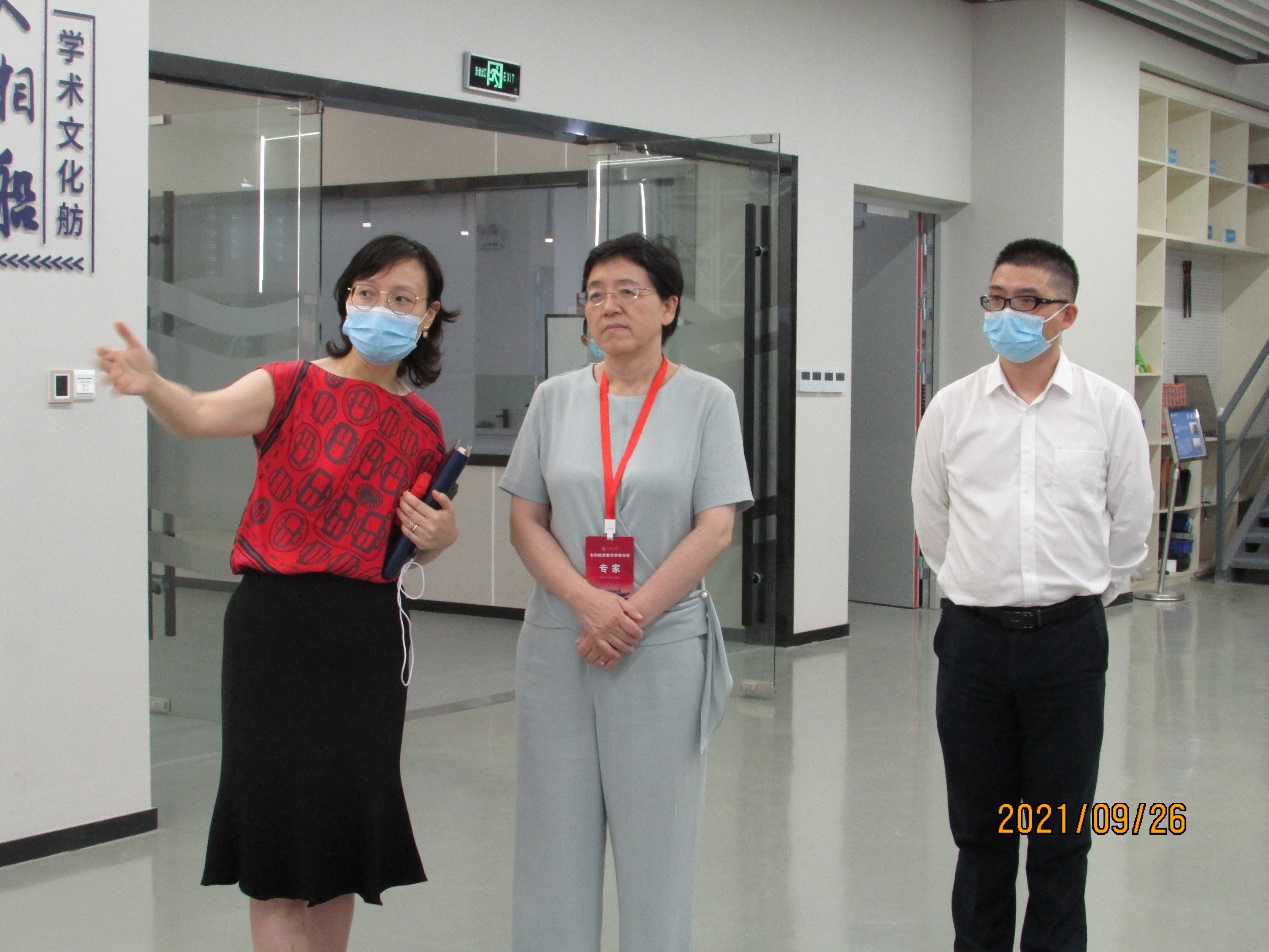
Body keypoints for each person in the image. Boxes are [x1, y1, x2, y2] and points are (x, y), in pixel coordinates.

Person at [97, 234, 460, 952]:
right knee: (277, 849)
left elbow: (412, 539)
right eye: (367, 293)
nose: (380, 308)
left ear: (427, 317)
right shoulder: (289, 385)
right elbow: (197, 415)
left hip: (364, 637)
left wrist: (441, 537)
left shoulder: (423, 427)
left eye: (401, 299)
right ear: (345, 299)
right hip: (276, 627)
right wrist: (153, 387)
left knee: (339, 843)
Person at [500, 233, 753, 952]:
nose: (609, 306)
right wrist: (588, 604)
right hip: (561, 640)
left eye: (628, 291)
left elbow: (714, 528)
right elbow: (525, 520)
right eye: (595, 294)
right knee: (552, 837)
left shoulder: (707, 400)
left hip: (660, 643)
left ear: (669, 306)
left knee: (658, 843)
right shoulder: (554, 399)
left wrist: (628, 615)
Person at [911, 238, 1154, 952]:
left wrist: (1087, 594)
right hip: (973, 645)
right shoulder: (952, 408)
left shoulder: (1107, 409)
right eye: (996, 299)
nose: (1006, 314)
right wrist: (973, 585)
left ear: (1065, 314)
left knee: (1060, 835)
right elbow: (931, 518)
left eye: (1027, 301)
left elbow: (1130, 522)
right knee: (980, 834)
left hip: (1067, 644)